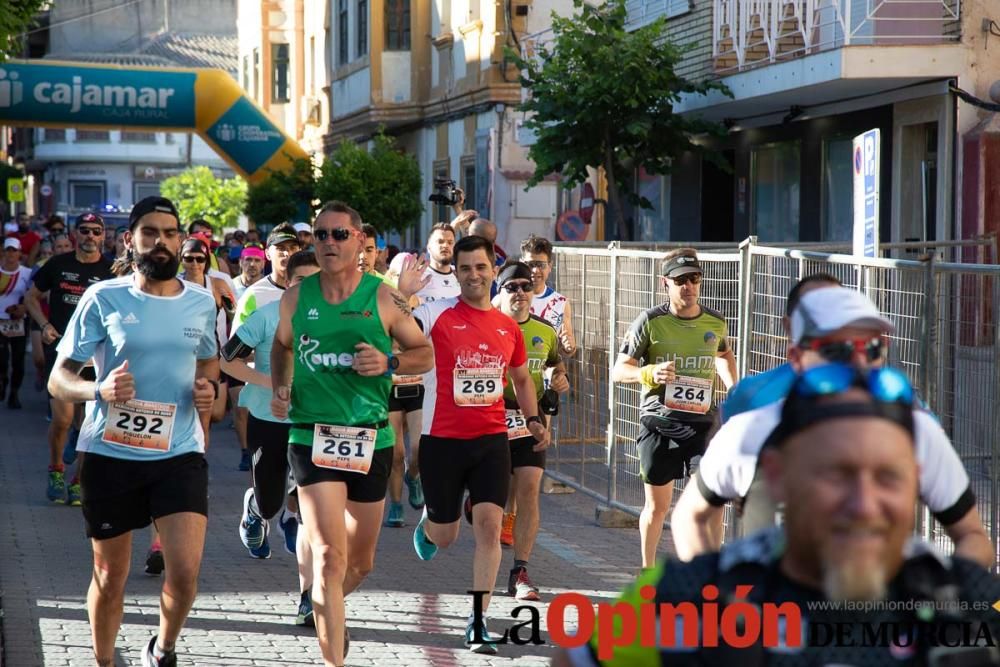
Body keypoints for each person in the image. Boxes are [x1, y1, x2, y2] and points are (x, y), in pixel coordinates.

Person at [553, 367, 1000, 667]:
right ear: (779, 477)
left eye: (889, 478)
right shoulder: (686, 597)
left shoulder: (971, 604)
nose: (863, 504)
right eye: (835, 474)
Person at [671, 283, 994, 567]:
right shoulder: (747, 433)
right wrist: (711, 596)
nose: (857, 363)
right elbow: (689, 516)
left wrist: (947, 597)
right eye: (836, 349)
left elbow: (973, 538)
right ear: (796, 357)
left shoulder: (917, 432)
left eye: (871, 348)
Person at [47, 194, 220, 667]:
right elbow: (58, 377)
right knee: (110, 574)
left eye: (169, 233)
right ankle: (104, 660)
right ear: (131, 239)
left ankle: (162, 648)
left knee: (184, 573)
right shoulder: (104, 297)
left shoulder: (202, 303)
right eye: (150, 233)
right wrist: (98, 391)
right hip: (111, 452)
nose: (160, 242)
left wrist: (208, 389)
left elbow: (207, 361)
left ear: (181, 241)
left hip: (180, 451)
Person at [270, 201, 433, 667]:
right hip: (311, 434)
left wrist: (389, 363)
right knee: (328, 557)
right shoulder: (297, 298)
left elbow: (425, 354)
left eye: (339, 235)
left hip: (370, 438)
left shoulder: (382, 299)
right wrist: (282, 384)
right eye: (320, 235)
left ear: (361, 242)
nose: (328, 243)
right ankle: (331, 654)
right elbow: (282, 346)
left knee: (360, 563)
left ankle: (328, 611)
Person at [407, 235, 550, 653]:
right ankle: (432, 523)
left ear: (492, 270)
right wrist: (403, 294)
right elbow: (394, 324)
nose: (473, 274)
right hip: (442, 442)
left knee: (490, 529)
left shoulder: (508, 327)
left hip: (491, 440)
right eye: (465, 268)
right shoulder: (435, 314)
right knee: (448, 536)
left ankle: (477, 619)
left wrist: (534, 419)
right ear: (456, 273)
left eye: (481, 267)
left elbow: (522, 378)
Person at [611, 248, 737, 568]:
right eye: (680, 280)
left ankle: (708, 574)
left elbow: (723, 355)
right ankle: (648, 572)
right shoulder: (651, 322)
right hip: (660, 422)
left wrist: (734, 387)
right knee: (657, 507)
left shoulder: (715, 322)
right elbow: (618, 370)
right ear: (664, 283)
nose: (688, 286)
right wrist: (647, 373)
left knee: (712, 502)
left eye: (694, 279)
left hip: (703, 426)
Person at [221, 250, 319, 621]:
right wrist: (273, 383)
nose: (308, 289)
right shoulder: (265, 316)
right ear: (287, 283)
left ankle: (308, 597)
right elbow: (227, 359)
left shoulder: (333, 322)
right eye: (300, 282)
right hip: (267, 418)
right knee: (270, 501)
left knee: (312, 510)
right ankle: (255, 509)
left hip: (313, 424)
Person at [491, 261, 569, 600]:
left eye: (526, 286)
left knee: (528, 488)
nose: (521, 293)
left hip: (529, 417)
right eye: (512, 287)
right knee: (492, 496)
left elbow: (555, 365)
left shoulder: (545, 331)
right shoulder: (488, 326)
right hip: (489, 416)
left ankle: (519, 571)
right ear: (500, 290)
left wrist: (560, 379)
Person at [25, 212, 114, 506]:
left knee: (89, 425)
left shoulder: (112, 269)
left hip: (97, 356)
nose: (90, 236)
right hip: (63, 353)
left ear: (104, 236)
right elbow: (31, 297)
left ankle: (78, 481)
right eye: (84, 230)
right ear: (75, 234)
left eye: (96, 231)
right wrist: (44, 325)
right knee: (63, 420)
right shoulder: (59, 265)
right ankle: (56, 469)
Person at [383, 223, 461, 526]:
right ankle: (396, 504)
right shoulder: (408, 280)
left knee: (418, 449)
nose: (445, 245)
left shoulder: (457, 282)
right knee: (395, 450)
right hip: (392, 377)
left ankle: (413, 476)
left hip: (427, 375)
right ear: (427, 247)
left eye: (449, 240)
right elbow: (389, 321)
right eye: (439, 241)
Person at [231, 224, 301, 472]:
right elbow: (236, 352)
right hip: (267, 404)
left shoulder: (317, 292)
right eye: (280, 249)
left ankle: (293, 513)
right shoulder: (255, 295)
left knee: (302, 476)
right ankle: (256, 504)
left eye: (293, 248)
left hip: (307, 403)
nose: (287, 254)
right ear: (268, 254)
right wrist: (272, 372)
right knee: (269, 484)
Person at [520, 234, 576, 356]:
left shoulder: (561, 303)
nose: (535, 270)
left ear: (550, 267)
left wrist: (569, 347)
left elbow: (567, 348)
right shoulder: (509, 297)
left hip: (545, 372)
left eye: (541, 265)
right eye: (530, 265)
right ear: (521, 264)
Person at [0, 237, 33, 408]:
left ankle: (14, 393)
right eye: (8, 250)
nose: (11, 254)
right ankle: (3, 379)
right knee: (2, 358)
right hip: (0, 321)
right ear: (3, 252)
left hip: (19, 322)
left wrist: (23, 308)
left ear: (20, 253)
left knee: (18, 360)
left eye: (14, 250)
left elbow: (33, 296)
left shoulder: (27, 273)